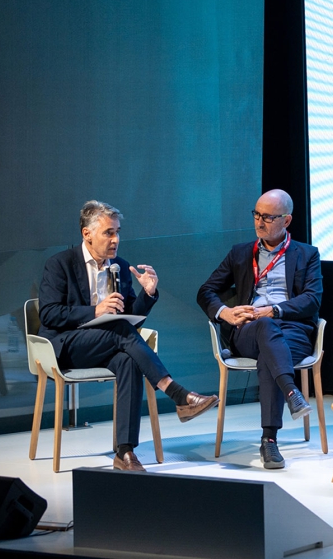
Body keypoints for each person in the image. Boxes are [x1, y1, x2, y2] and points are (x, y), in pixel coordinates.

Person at [38, 201, 218, 472]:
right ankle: (177, 394)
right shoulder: (60, 264)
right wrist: (95, 311)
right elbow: (49, 314)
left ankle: (125, 452)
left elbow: (133, 316)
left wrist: (148, 293)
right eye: (108, 233)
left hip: (107, 344)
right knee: (121, 330)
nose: (115, 239)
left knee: (129, 360)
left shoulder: (120, 266)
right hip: (67, 345)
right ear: (87, 234)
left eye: (117, 232)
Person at [197, 189, 321, 469]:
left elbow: (312, 299)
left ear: (286, 220)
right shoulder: (241, 253)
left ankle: (269, 440)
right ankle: (291, 392)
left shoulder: (307, 254)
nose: (259, 222)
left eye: (267, 217)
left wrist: (275, 310)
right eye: (256, 214)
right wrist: (226, 313)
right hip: (249, 331)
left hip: (292, 330)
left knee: (270, 354)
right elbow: (206, 291)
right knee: (264, 327)